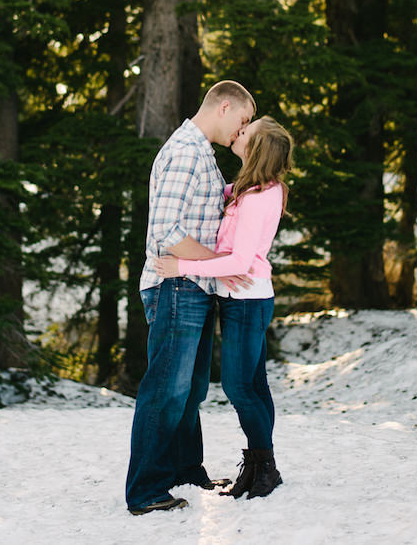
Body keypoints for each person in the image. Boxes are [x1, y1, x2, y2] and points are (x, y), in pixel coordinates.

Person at [124, 80, 255, 516]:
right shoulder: (185, 151)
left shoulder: (202, 154)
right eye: (243, 119)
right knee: (166, 388)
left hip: (192, 284)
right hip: (175, 285)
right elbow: (167, 230)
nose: (243, 129)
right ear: (224, 107)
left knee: (190, 388)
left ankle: (184, 470)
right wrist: (218, 260)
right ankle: (146, 490)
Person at [154, 116, 293, 499]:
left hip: (247, 301)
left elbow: (238, 262)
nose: (239, 131)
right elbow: (214, 196)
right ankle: (260, 465)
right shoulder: (253, 189)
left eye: (246, 131)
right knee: (254, 385)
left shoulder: (259, 197)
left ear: (255, 147)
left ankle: (263, 466)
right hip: (245, 300)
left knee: (239, 386)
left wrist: (182, 266)